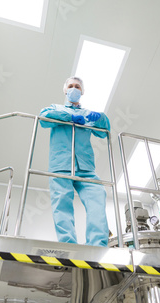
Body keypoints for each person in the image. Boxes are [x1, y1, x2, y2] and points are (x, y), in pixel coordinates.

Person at [39, 77, 110, 247]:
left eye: (77, 86)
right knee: (62, 203)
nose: (74, 88)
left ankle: (98, 245)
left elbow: (104, 132)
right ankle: (69, 245)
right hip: (61, 165)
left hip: (86, 167)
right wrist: (69, 116)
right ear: (65, 90)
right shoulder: (56, 108)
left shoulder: (88, 114)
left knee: (97, 199)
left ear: (82, 91)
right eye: (70, 86)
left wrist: (100, 117)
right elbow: (43, 118)